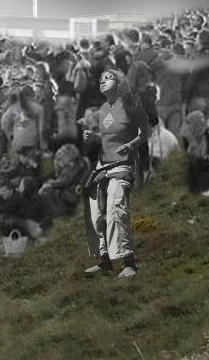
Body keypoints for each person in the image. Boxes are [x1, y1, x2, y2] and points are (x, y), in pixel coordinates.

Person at [82, 68, 149, 279]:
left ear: (119, 83)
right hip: (103, 165)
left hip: (123, 164)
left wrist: (130, 145)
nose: (102, 80)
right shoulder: (103, 108)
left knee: (116, 208)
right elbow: (107, 137)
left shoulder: (132, 104)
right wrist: (94, 137)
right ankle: (105, 261)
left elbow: (144, 133)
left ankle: (129, 262)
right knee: (97, 213)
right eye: (101, 78)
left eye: (107, 78)